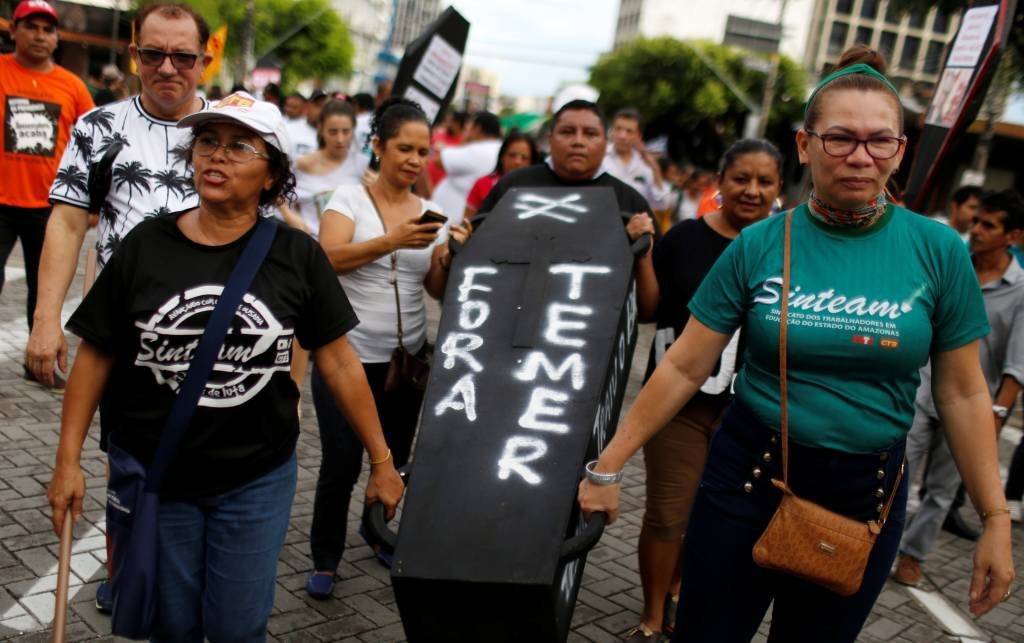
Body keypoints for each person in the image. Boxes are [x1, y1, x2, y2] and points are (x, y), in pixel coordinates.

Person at [578, 47, 1014, 642]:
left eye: (879, 141)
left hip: (866, 496)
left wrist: (994, 520)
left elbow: (963, 392)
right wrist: (606, 469)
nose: (860, 157)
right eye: (840, 139)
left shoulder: (937, 252)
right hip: (746, 480)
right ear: (805, 145)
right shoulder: (760, 244)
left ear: (901, 151)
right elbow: (684, 365)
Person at [45, 92, 404, 641]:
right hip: (162, 474)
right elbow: (96, 351)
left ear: (271, 175)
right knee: (174, 627)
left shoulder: (296, 255)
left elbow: (338, 360)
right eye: (207, 142)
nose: (217, 156)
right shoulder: (146, 245)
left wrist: (381, 460)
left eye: (240, 147)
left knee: (238, 628)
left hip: (255, 480)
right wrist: (67, 461)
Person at [27, 1, 212, 612]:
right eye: (152, 54)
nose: (167, 67)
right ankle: (126, 571)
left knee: (204, 464)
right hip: (124, 339)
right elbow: (69, 221)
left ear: (203, 59)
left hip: (216, 339)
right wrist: (46, 320)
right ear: (133, 55)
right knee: (126, 462)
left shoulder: (235, 129)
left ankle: (188, 576)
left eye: (182, 56)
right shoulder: (99, 127)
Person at [305, 97, 471, 600]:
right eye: (404, 148)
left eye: (423, 151)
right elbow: (327, 260)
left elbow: (436, 290)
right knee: (341, 460)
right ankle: (325, 557)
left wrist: (450, 257)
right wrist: (392, 240)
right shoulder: (347, 199)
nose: (415, 160)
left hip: (407, 362)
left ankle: (376, 531)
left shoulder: (431, 213)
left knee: (395, 457)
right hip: (347, 358)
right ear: (377, 146)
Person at [625, 139, 783, 643]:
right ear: (720, 181)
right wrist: (644, 255)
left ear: (781, 189)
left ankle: (676, 591)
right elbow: (650, 311)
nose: (752, 191)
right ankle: (652, 615)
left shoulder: (787, 248)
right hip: (678, 407)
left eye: (765, 181)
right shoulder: (687, 238)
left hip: (750, 412)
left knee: (710, 518)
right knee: (668, 514)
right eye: (741, 179)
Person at [892, 189, 1024, 586]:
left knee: (942, 491)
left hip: (970, 406)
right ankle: (876, 545)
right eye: (977, 221)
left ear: (1013, 236)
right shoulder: (951, 263)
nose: (977, 230)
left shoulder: (1020, 291)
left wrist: (995, 417)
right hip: (920, 388)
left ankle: (913, 555)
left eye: (989, 225)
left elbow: (1017, 367)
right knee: (898, 474)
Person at [476, 99, 659, 321]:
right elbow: (477, 262)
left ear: (605, 141)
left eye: (590, 133)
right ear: (550, 138)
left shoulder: (630, 203)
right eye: (568, 132)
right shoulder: (513, 187)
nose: (578, 142)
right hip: (506, 321)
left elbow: (648, 309)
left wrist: (642, 249)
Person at [0, 0, 94, 376]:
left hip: (50, 207)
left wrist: (93, 203)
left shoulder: (72, 86)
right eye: (31, 26)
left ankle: (36, 362)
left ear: (57, 38)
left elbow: (94, 146)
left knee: (45, 291)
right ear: (14, 30)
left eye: (47, 29)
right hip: (1, 201)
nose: (40, 35)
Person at [278, 99, 368, 237]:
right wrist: (290, 216)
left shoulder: (363, 166)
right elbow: (277, 192)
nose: (340, 139)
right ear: (320, 129)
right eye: (333, 132)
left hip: (350, 249)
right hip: (309, 245)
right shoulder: (303, 164)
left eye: (346, 132)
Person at [431, 111, 502, 227]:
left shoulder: (479, 150)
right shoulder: (498, 148)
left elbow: (439, 160)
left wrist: (465, 141)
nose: (465, 130)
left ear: (477, 128)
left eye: (468, 126)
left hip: (452, 224)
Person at [603, 108, 673, 212]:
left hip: (636, 224)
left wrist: (655, 169)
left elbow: (663, 204)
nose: (622, 136)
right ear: (612, 130)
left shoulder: (645, 164)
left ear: (639, 136)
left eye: (629, 131)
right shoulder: (600, 157)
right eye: (618, 129)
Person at [462, 130, 539, 221]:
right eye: (512, 155)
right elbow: (467, 223)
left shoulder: (537, 192)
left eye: (524, 158)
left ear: (531, 163)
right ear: (502, 157)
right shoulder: (482, 183)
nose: (517, 162)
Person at [287, 89, 327, 158]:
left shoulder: (335, 135)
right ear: (307, 106)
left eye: (325, 106)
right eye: (318, 105)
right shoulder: (289, 130)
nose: (322, 110)